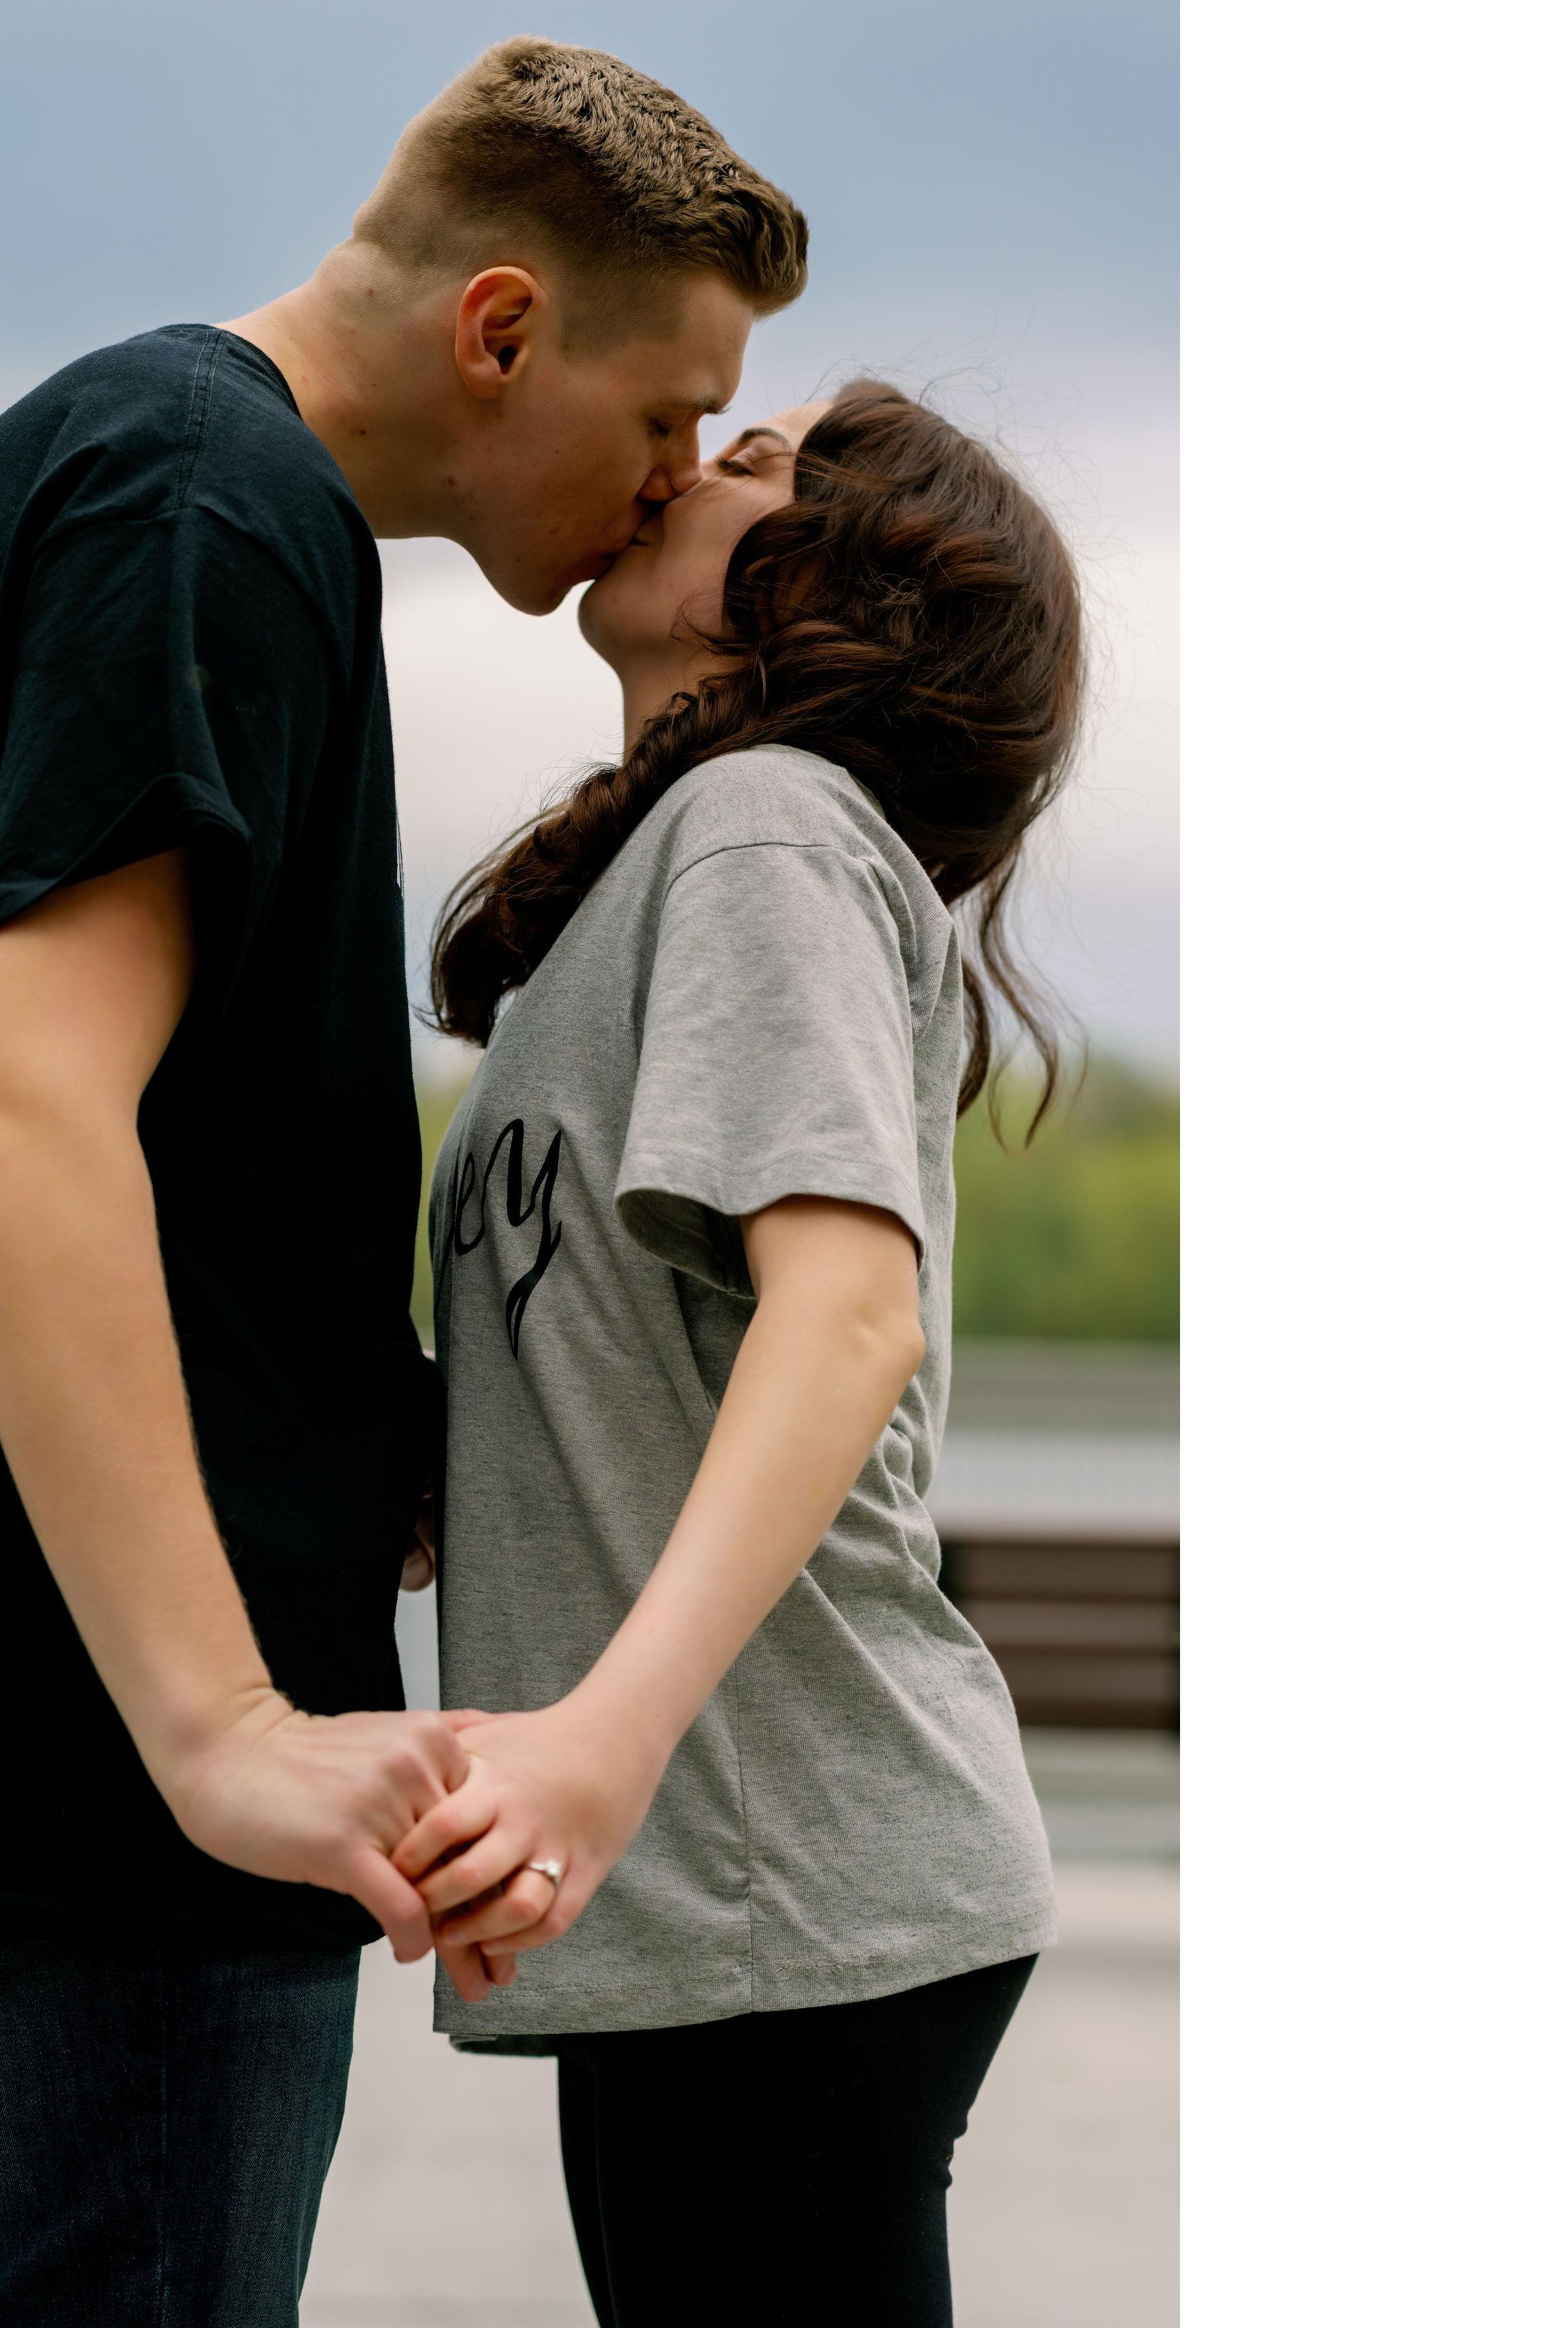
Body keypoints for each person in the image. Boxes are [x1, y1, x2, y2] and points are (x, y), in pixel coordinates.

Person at [0, 37, 807, 2328]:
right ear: (501, 329)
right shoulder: (208, 512)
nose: (672, 477)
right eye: (669, 415)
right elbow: (14, 1114)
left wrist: (349, 1453)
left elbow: (156, 1156)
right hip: (110, 1794)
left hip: (50, 1749)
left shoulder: (158, 476)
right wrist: (221, 1730)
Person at [394, 380, 1085, 2325]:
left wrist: (597, 1754)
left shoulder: (763, 828)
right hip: (700, 1884)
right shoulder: (656, 881)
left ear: (839, 594)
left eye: (756, 463)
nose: (687, 460)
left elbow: (851, 1312)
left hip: (791, 1866)